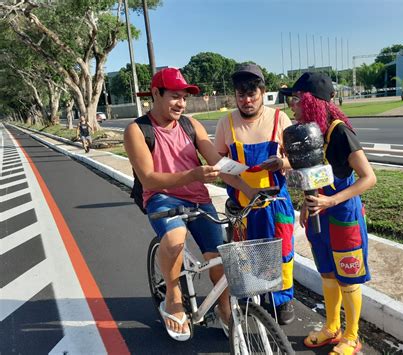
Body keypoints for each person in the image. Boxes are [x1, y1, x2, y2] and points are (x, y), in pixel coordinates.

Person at [124, 67, 253, 341]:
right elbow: (149, 179)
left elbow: (218, 162)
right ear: (156, 94)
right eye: (174, 96)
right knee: (174, 239)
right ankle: (173, 296)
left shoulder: (190, 124)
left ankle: (223, 306)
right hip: (161, 196)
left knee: (219, 254)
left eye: (184, 97)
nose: (181, 103)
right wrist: (194, 174)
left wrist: (248, 188)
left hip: (197, 196)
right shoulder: (137, 130)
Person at [280, 72, 376, 355]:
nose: (292, 106)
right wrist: (305, 204)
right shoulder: (310, 132)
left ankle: (352, 335)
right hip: (317, 214)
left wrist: (331, 201)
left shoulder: (339, 132)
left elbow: (368, 178)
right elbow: (312, 174)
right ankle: (332, 326)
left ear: (312, 101)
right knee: (327, 273)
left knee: (348, 276)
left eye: (296, 100)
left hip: (343, 215)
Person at [214, 63, 296, 325]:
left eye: (252, 95)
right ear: (235, 96)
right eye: (241, 95)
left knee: (282, 252)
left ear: (263, 92)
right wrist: (244, 189)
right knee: (248, 253)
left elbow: (296, 159)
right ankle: (253, 298)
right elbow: (220, 165)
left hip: (276, 202)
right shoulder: (225, 123)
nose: (247, 101)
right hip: (242, 204)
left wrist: (282, 164)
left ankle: (282, 299)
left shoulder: (279, 119)